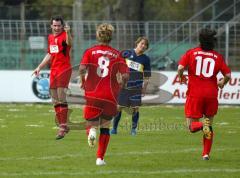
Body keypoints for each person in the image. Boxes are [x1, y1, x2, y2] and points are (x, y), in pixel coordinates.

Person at [79, 23, 129, 166]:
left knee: (90, 121)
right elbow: (125, 75)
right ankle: (100, 158)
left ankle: (92, 131)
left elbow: (82, 69)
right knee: (106, 127)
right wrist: (121, 86)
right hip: (110, 95)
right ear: (110, 37)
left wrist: (83, 81)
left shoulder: (90, 51)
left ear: (98, 35)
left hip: (93, 93)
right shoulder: (117, 54)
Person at [177, 28, 231, 160]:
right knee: (209, 125)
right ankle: (206, 153)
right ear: (213, 41)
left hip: (195, 94)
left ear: (200, 40)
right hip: (211, 94)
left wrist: (181, 77)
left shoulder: (191, 52)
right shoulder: (217, 56)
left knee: (191, 127)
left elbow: (180, 68)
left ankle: (202, 125)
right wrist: (222, 82)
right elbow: (228, 74)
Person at [33, 16, 73, 140]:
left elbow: (69, 43)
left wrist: (68, 32)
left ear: (62, 26)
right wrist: (39, 67)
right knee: (54, 100)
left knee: (61, 98)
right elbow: (50, 54)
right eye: (54, 25)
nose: (56, 28)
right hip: (54, 70)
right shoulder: (50, 38)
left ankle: (62, 126)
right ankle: (64, 125)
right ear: (51, 26)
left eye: (59, 25)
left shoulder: (65, 36)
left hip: (64, 69)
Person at [111, 37, 151, 136]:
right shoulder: (126, 53)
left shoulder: (146, 59)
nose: (143, 46)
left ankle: (133, 130)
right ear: (137, 43)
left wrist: (144, 88)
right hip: (123, 86)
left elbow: (147, 76)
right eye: (142, 43)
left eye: (145, 45)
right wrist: (118, 78)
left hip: (137, 87)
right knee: (119, 107)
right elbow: (116, 66)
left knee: (135, 108)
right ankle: (114, 129)